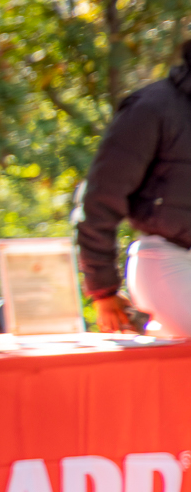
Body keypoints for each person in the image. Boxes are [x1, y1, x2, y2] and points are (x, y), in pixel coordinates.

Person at [79, 37, 191, 336]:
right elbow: (101, 197)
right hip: (167, 258)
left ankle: (157, 334)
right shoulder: (152, 108)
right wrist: (103, 289)